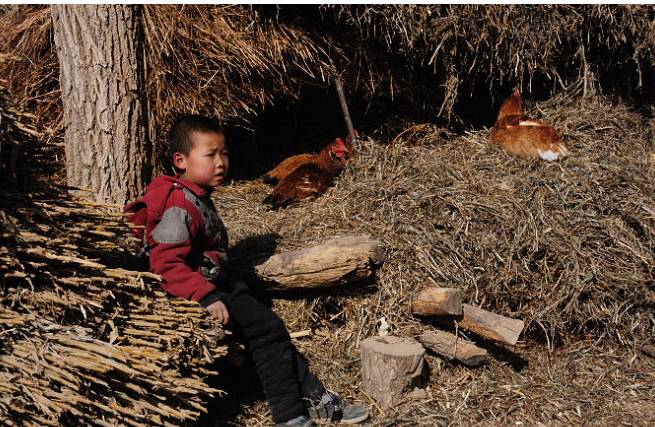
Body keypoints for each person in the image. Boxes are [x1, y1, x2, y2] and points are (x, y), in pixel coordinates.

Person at [124, 115, 369, 427]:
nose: (221, 162)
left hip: (212, 282)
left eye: (223, 153)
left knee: (269, 325)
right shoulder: (177, 206)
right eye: (210, 155)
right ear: (180, 161)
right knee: (267, 329)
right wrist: (207, 297)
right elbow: (165, 263)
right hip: (196, 291)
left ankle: (315, 397)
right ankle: (291, 416)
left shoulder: (193, 195)